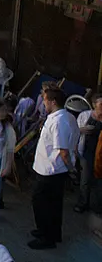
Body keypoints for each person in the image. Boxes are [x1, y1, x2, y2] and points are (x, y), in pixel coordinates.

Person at [30, 87, 79, 249]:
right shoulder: (62, 117)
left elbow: (63, 151)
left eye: (45, 100)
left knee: (43, 204)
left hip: (51, 170)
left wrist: (71, 169)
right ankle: (52, 233)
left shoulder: (59, 122)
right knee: (53, 204)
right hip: (49, 168)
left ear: (53, 102)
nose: (43, 103)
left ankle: (47, 237)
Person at [76, 95, 102, 214]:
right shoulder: (85, 115)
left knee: (98, 181)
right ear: (94, 105)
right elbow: (73, 130)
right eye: (101, 104)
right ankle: (83, 203)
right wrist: (81, 130)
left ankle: (98, 206)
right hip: (87, 151)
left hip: (99, 154)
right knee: (85, 179)